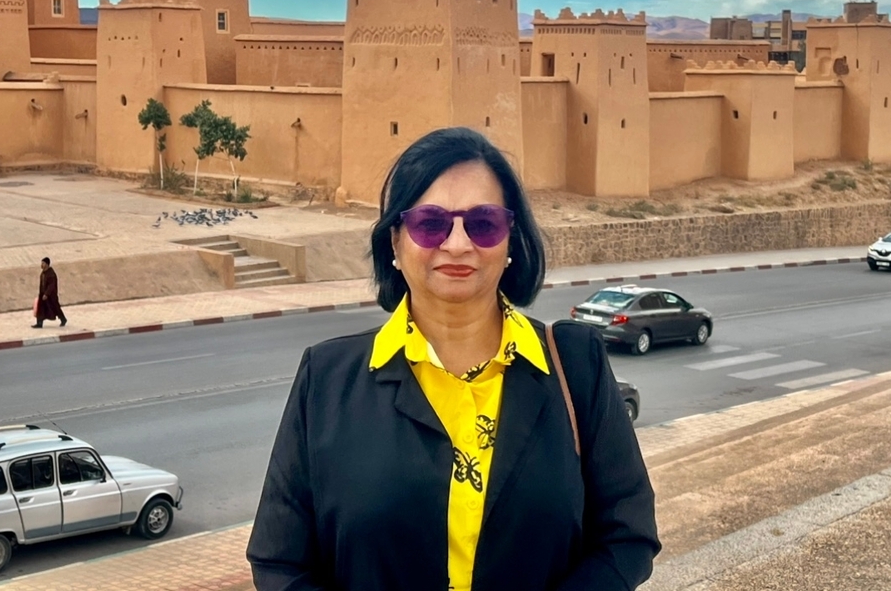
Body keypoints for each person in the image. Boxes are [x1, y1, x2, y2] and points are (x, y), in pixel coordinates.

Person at [247, 127, 660, 591]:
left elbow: (628, 536)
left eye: (483, 223)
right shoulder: (327, 380)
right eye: (431, 222)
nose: (458, 243)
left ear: (509, 243)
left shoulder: (575, 366)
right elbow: (280, 562)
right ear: (395, 244)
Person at [33, 257, 67, 328]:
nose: (42, 265)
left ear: (47, 264)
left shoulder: (51, 274)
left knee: (55, 308)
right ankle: (39, 323)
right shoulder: (43, 273)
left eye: (43, 263)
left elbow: (51, 285)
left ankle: (63, 319)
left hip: (51, 296)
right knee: (41, 309)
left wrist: (46, 294)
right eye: (41, 263)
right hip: (43, 294)